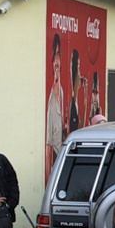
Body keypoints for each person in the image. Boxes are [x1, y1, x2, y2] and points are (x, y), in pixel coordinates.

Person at [46, 34, 65, 173]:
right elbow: (49, 141)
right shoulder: (51, 93)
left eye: (59, 54)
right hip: (54, 156)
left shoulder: (61, 90)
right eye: (55, 54)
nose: (57, 61)